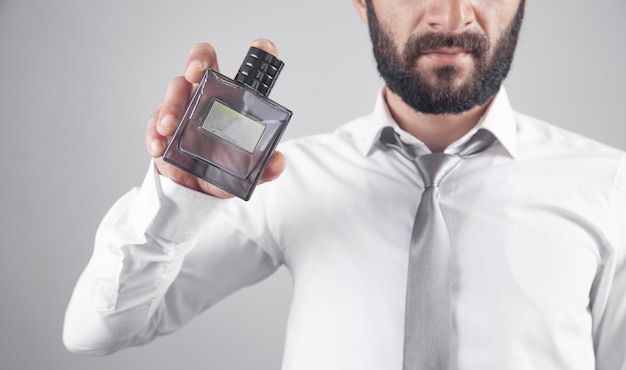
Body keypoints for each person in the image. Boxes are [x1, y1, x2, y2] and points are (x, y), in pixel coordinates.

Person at [63, 0, 626, 369]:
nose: (452, 15)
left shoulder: (610, 186)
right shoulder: (289, 178)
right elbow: (98, 330)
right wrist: (174, 203)